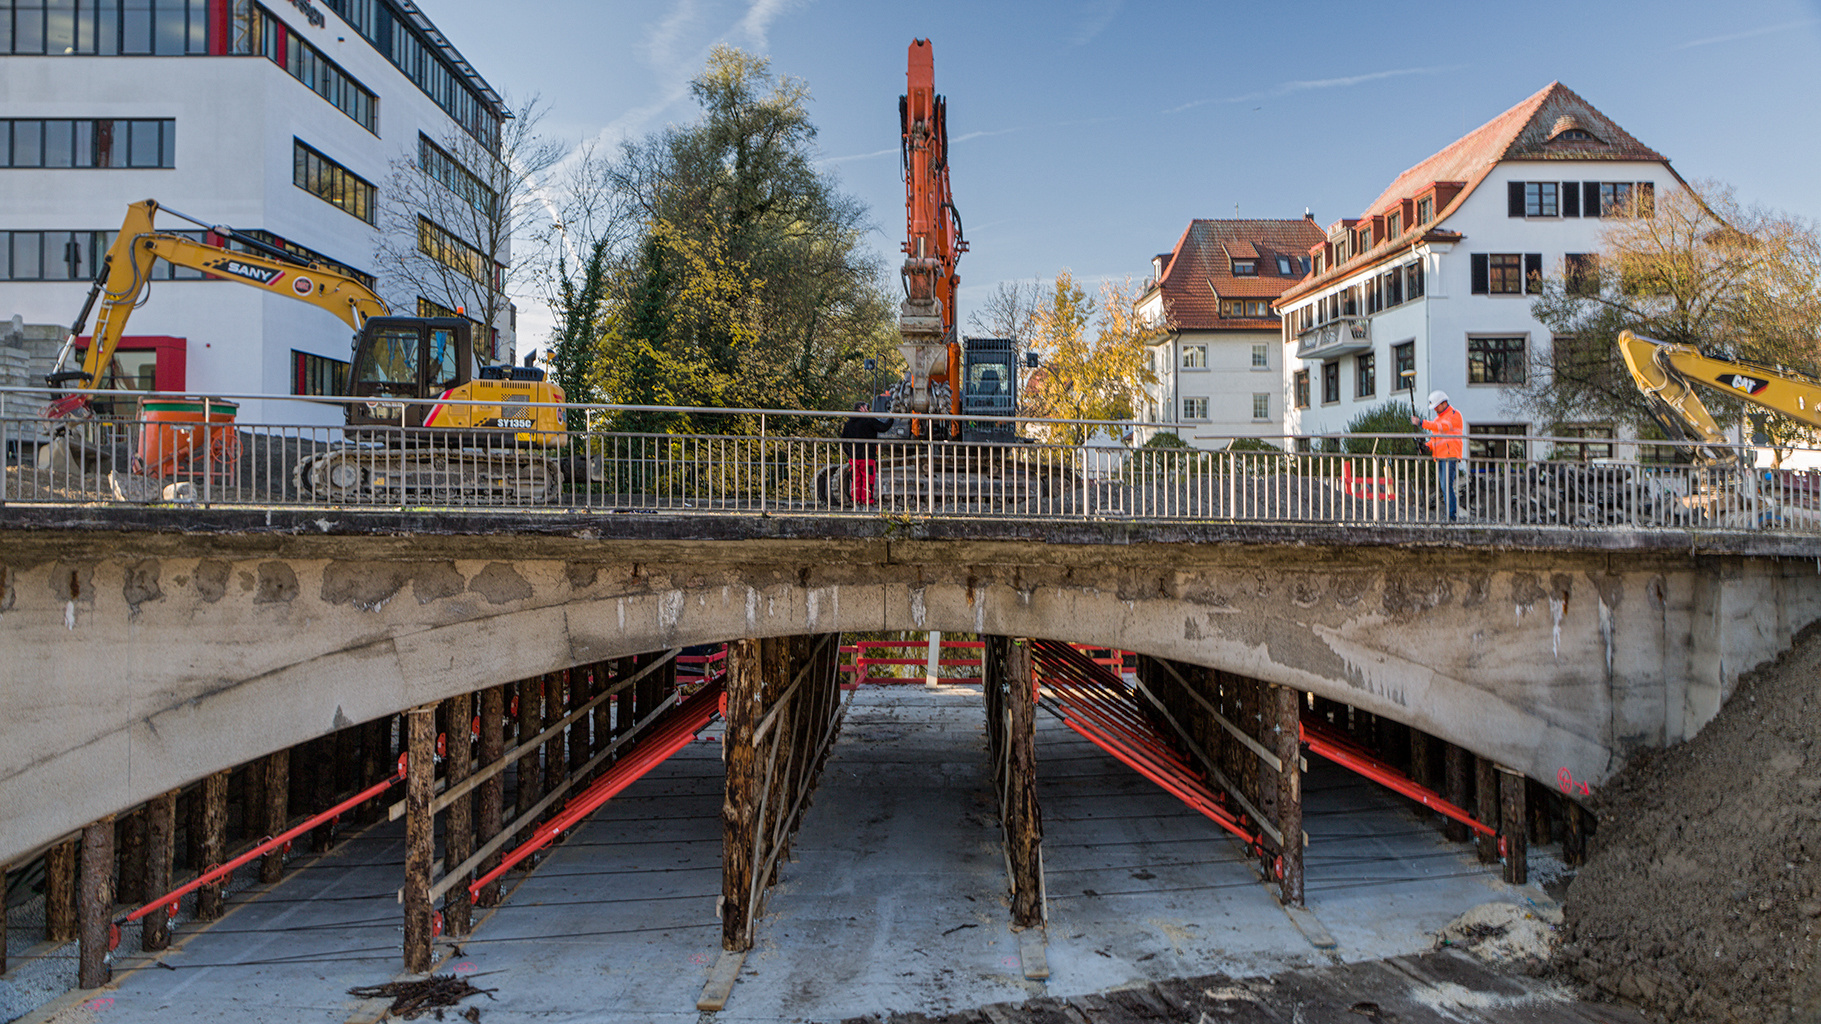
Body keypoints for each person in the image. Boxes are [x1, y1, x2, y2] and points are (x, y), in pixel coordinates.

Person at [1412, 389, 1464, 520]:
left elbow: (1442, 427)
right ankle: (1450, 515)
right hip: (1440, 456)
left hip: (1450, 455)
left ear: (1443, 403)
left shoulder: (1454, 414)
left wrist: (1421, 423)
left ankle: (1451, 516)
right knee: (1444, 487)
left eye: (1436, 406)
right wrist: (1426, 447)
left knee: (1447, 486)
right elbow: (1435, 439)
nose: (1435, 409)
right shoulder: (1437, 419)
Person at [840, 401, 891, 505]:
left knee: (855, 480)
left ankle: (856, 501)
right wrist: (891, 417)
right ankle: (867, 501)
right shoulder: (869, 420)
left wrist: (849, 453)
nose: (868, 409)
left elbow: (843, 441)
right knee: (868, 480)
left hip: (854, 457)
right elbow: (883, 427)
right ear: (862, 408)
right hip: (867, 456)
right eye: (866, 407)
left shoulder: (849, 423)